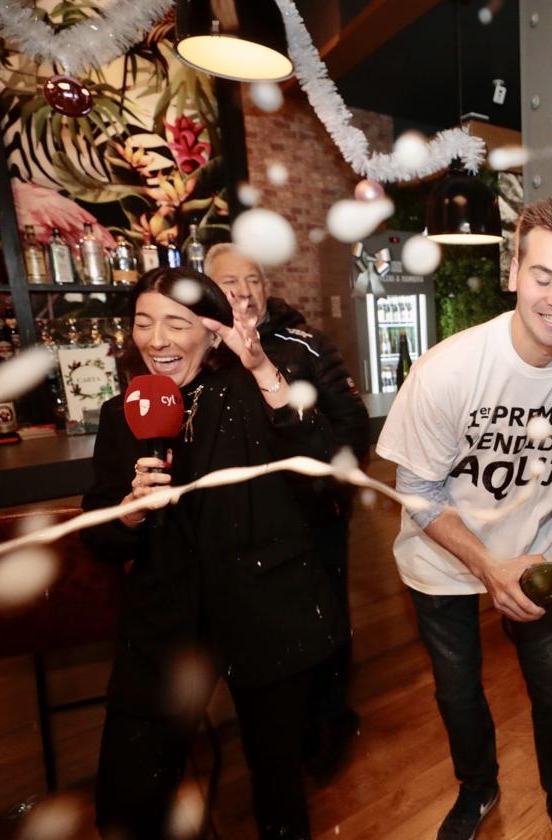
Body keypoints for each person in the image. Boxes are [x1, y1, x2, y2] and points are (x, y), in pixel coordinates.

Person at [376, 198, 552, 840]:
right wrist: (488, 568)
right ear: (513, 272)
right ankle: (478, 788)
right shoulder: (448, 372)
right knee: (458, 691)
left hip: (537, 559)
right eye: (543, 276)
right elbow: (419, 490)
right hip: (442, 561)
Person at [82, 267, 344, 840]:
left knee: (278, 790)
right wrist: (127, 511)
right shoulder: (121, 413)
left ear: (209, 330)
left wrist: (260, 366)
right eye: (143, 324)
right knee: (130, 796)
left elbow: (325, 470)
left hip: (267, 611)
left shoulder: (255, 391)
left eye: (176, 324)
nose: (157, 340)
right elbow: (98, 533)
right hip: (164, 623)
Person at [204, 243, 371, 776]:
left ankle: (330, 720)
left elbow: (350, 424)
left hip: (311, 518)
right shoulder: (201, 351)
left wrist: (330, 493)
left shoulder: (308, 346)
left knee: (325, 624)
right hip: (241, 529)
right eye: (229, 281)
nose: (243, 291)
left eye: (252, 280)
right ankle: (283, 730)